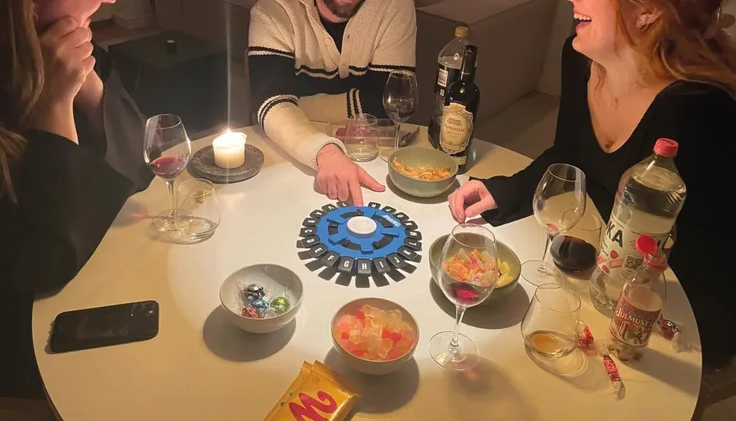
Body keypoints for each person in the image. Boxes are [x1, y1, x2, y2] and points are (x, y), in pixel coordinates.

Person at [449, 0, 736, 367]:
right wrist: (506, 192)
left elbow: (699, 257)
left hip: (674, 316)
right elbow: (568, 153)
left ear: (647, 10)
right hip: (606, 276)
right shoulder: (578, 58)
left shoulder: (700, 108)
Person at [0, 0, 153, 399]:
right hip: (25, 368)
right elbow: (46, 264)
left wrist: (90, 92)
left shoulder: (52, 58)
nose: (110, 0)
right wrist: (55, 108)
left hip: (99, 293)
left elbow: (143, 166)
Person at [248, 0, 417, 205]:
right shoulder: (274, 7)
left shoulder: (395, 4)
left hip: (371, 154)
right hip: (287, 158)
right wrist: (326, 152)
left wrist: (293, 108)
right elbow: (269, 104)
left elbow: (386, 103)